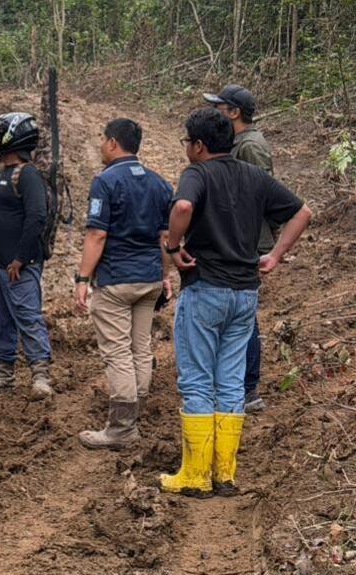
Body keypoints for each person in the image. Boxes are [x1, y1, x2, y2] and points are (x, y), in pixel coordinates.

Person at [161, 108, 311, 497]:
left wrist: (173, 246)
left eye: (186, 143)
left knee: (196, 380)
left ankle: (194, 475)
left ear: (198, 145)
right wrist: (274, 255)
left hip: (205, 288)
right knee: (230, 381)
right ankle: (224, 474)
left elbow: (181, 208)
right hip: (245, 294)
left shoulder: (197, 173)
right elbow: (302, 212)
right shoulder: (254, 175)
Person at [73, 118, 174, 450]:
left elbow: (97, 233)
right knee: (140, 348)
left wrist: (83, 278)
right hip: (149, 279)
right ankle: (136, 410)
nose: (102, 145)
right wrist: (165, 274)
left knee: (117, 352)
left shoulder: (105, 182)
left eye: (103, 140)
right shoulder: (160, 184)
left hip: (117, 280)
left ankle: (121, 428)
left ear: (113, 143)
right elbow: (166, 236)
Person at [204, 84, 273, 414]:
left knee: (245, 315)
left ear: (234, 112)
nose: (216, 112)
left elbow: (260, 193)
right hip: (243, 238)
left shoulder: (251, 146)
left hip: (249, 240)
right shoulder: (239, 143)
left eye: (220, 107)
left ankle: (248, 389)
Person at [0, 112, 53, 399]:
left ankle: (41, 377)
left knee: (28, 317)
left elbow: (37, 217)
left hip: (18, 265)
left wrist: (20, 258)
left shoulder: (28, 174)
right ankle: (4, 374)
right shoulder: (4, 174)